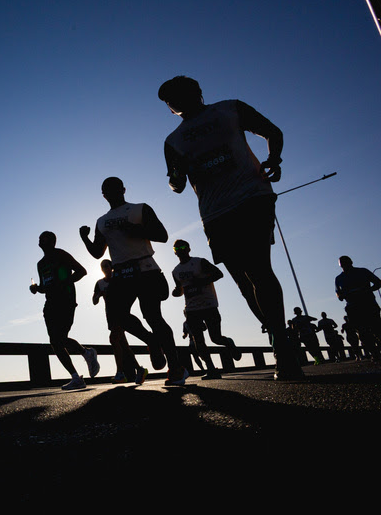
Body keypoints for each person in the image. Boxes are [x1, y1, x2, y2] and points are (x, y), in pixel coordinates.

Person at [158, 75, 303, 380]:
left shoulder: (230, 109)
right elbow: (177, 185)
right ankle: (279, 334)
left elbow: (271, 131)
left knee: (259, 270)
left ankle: (283, 351)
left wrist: (274, 157)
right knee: (243, 282)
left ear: (197, 92)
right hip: (215, 214)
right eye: (169, 100)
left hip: (252, 197)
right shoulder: (173, 141)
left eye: (177, 94)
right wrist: (175, 176)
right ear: (170, 109)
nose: (174, 102)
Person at [79, 177, 188, 386]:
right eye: (107, 190)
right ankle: (151, 341)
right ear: (103, 195)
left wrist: (138, 230)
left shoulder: (140, 209)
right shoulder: (101, 221)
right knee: (117, 317)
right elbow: (96, 252)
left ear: (123, 189)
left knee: (152, 315)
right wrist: (84, 238)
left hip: (145, 267)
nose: (111, 192)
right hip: (120, 271)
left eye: (115, 188)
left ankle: (176, 368)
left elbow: (162, 235)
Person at [30, 231, 100, 390]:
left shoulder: (61, 254)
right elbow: (45, 286)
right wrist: (37, 289)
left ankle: (86, 353)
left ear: (52, 241)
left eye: (43, 238)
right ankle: (76, 376)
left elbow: (82, 271)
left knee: (59, 338)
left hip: (66, 301)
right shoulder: (40, 264)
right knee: (55, 342)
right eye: (39, 238)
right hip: (50, 304)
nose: (40, 240)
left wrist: (64, 282)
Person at [171, 239, 242, 380]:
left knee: (215, 338)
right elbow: (179, 289)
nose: (180, 250)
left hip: (209, 305)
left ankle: (228, 342)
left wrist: (201, 281)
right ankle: (211, 368)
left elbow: (219, 274)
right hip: (191, 309)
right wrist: (176, 292)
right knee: (198, 340)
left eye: (183, 247)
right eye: (176, 248)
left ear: (189, 248)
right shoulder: (175, 271)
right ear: (175, 252)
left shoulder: (199, 262)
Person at [93, 259, 147, 384]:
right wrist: (99, 295)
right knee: (124, 346)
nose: (105, 268)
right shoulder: (99, 283)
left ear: (112, 267)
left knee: (113, 339)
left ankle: (120, 373)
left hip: (121, 314)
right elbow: (94, 301)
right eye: (102, 266)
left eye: (107, 265)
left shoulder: (119, 279)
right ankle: (139, 370)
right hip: (110, 316)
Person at [335, 255, 381, 361]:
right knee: (363, 333)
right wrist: (341, 296)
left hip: (368, 304)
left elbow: (378, 283)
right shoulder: (339, 279)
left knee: (377, 328)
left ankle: (375, 352)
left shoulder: (363, 272)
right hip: (353, 308)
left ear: (351, 262)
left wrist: (367, 290)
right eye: (342, 263)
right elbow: (338, 293)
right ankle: (375, 353)